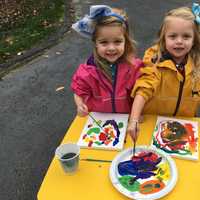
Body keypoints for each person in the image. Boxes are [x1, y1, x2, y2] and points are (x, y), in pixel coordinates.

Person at [127, 3, 200, 141]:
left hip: (184, 127)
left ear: (194, 39)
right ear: (163, 37)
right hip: (153, 125)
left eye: (186, 36)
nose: (179, 41)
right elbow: (144, 88)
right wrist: (134, 119)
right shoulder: (155, 59)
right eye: (173, 36)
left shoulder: (197, 63)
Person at [71, 5, 143, 116]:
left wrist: (138, 113)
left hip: (126, 120)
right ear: (95, 43)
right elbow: (79, 90)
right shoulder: (88, 70)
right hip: (99, 122)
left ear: (126, 41)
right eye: (104, 42)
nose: (111, 48)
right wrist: (80, 105)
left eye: (117, 41)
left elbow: (142, 91)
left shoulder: (135, 67)